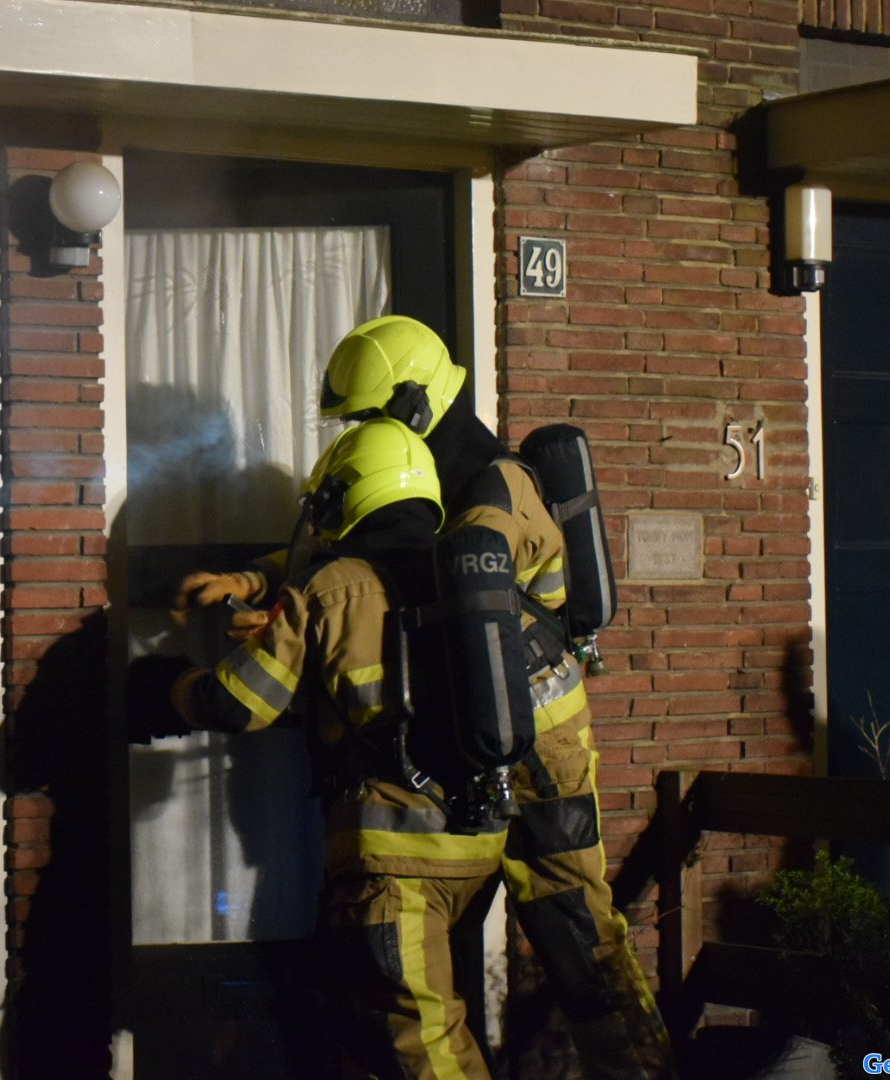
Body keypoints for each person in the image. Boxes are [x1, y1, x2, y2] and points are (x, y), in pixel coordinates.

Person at [173, 316, 675, 1080]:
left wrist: (307, 614)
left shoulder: (491, 484)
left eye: (369, 415)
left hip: (538, 731)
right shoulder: (426, 473)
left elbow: (396, 574)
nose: (361, 431)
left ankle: (641, 1072)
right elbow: (370, 546)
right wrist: (261, 580)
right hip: (493, 718)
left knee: (573, 927)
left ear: (408, 403)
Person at [134, 417, 511, 1080]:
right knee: (381, 1029)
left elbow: (239, 703)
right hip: (476, 846)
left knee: (422, 1045)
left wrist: (169, 687)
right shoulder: (466, 572)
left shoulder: (333, 586)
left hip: (395, 859)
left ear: (349, 496)